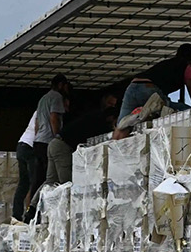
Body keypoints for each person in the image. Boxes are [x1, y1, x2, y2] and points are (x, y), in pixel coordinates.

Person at [14, 76, 70, 220]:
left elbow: (38, 122)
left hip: (37, 141)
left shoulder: (43, 99)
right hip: (47, 141)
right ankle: (35, 213)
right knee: (46, 179)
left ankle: (23, 213)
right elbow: (54, 118)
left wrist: (37, 137)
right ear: (60, 85)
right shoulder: (56, 97)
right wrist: (58, 136)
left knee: (30, 181)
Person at [116, 44, 191, 135]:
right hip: (149, 89)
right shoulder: (186, 67)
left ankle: (137, 116)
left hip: (132, 87)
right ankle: (144, 112)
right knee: (180, 109)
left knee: (121, 126)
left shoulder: (166, 63)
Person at [50, 90, 121, 185]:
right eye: (109, 103)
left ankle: (34, 200)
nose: (111, 106)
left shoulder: (93, 116)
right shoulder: (99, 121)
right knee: (67, 183)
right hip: (63, 146)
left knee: (50, 180)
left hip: (54, 143)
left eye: (113, 105)